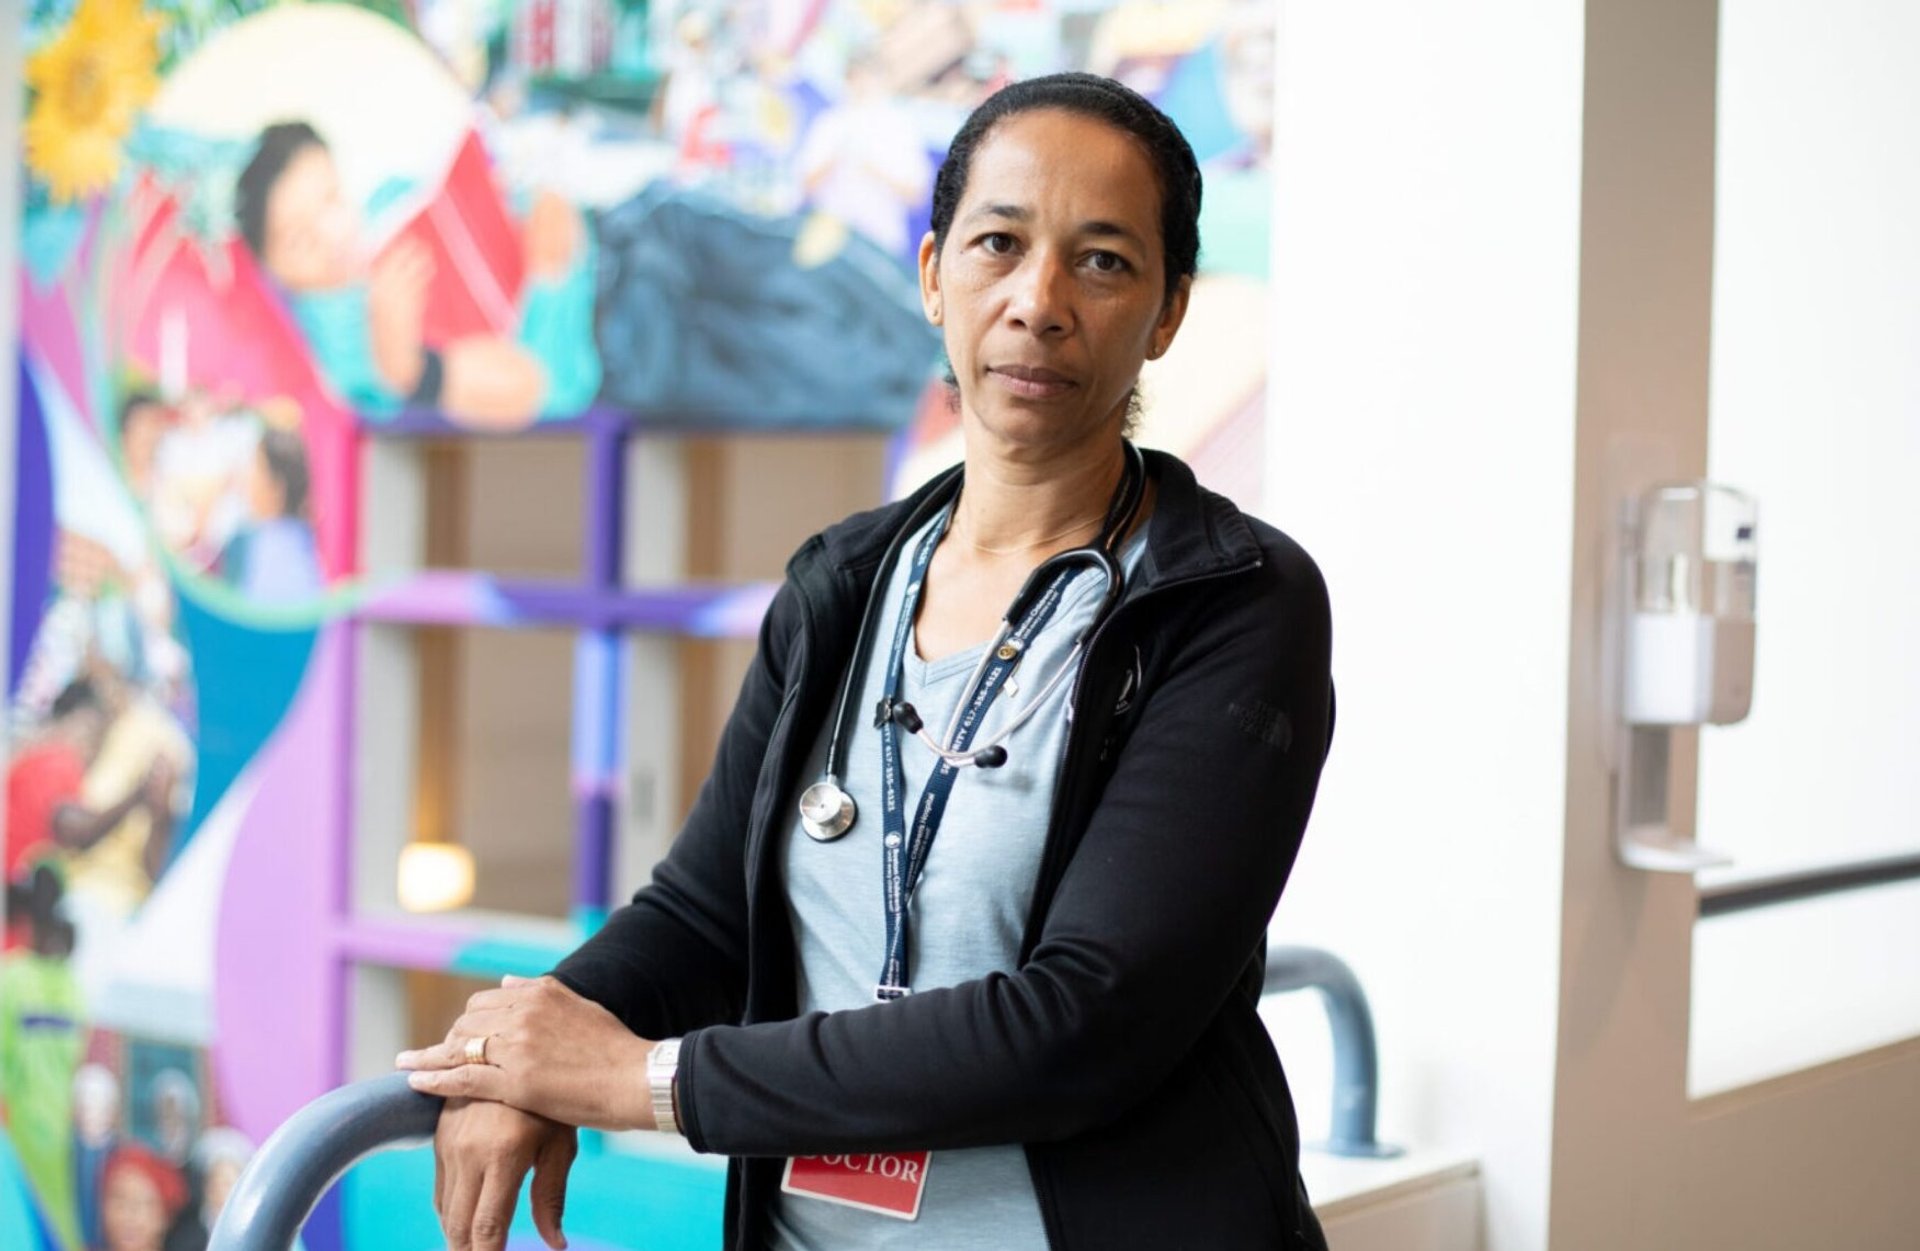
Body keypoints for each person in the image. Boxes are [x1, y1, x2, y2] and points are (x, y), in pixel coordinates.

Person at [398, 72, 1333, 1250]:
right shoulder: (843, 586)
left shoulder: (1233, 604)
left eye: (1102, 261)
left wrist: (642, 1083)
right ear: (936, 272)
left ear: (1168, 311)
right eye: (1000, 243)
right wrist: (521, 1048)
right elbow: (701, 918)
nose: (1038, 301)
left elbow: (1087, 1021)